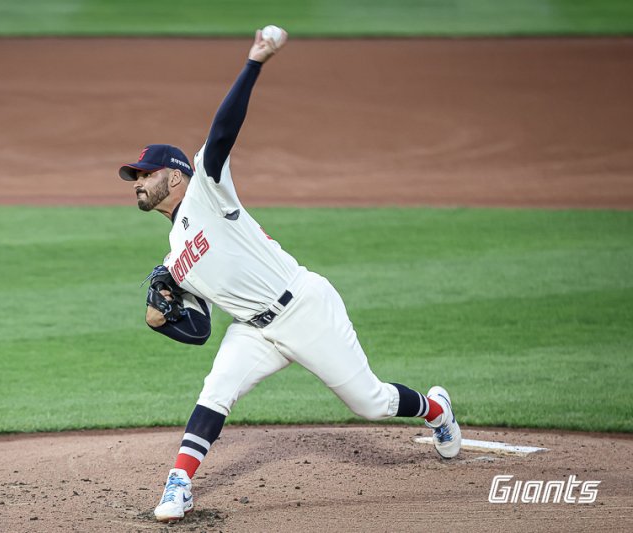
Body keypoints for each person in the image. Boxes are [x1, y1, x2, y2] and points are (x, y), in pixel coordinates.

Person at [118, 27, 462, 523]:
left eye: (144, 174)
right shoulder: (174, 257)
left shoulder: (206, 190)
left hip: (303, 306)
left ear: (173, 175)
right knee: (216, 389)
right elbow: (198, 331)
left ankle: (436, 409)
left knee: (371, 402)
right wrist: (160, 322)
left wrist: (254, 61)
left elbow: (221, 132)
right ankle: (180, 484)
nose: (138, 183)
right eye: (135, 178)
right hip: (254, 331)